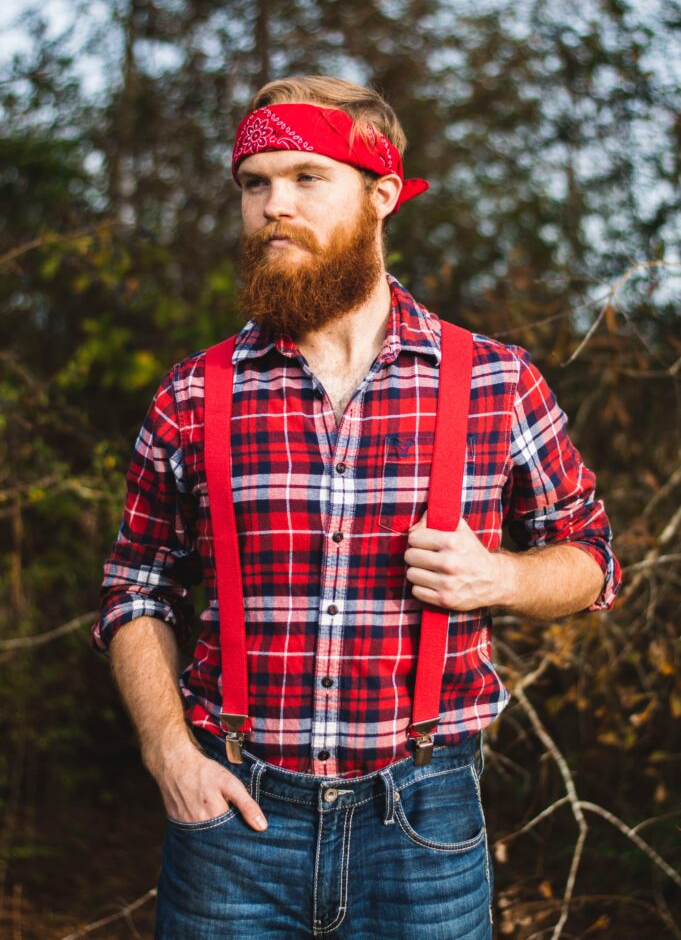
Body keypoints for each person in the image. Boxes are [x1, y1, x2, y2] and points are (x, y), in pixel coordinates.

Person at [91, 75, 621, 940]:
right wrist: (166, 755)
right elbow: (135, 588)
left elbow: (592, 559)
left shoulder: (492, 380)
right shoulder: (195, 394)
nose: (273, 206)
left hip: (423, 823)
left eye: (306, 178)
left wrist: (502, 576)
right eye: (254, 183)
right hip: (230, 819)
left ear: (379, 196)